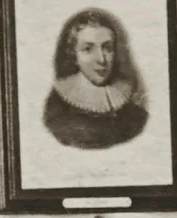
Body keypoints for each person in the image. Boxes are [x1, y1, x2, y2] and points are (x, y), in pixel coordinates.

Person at [42, 8, 148, 151]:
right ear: (73, 54)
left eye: (107, 48)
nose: (101, 59)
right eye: (87, 49)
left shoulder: (133, 113)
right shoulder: (56, 112)